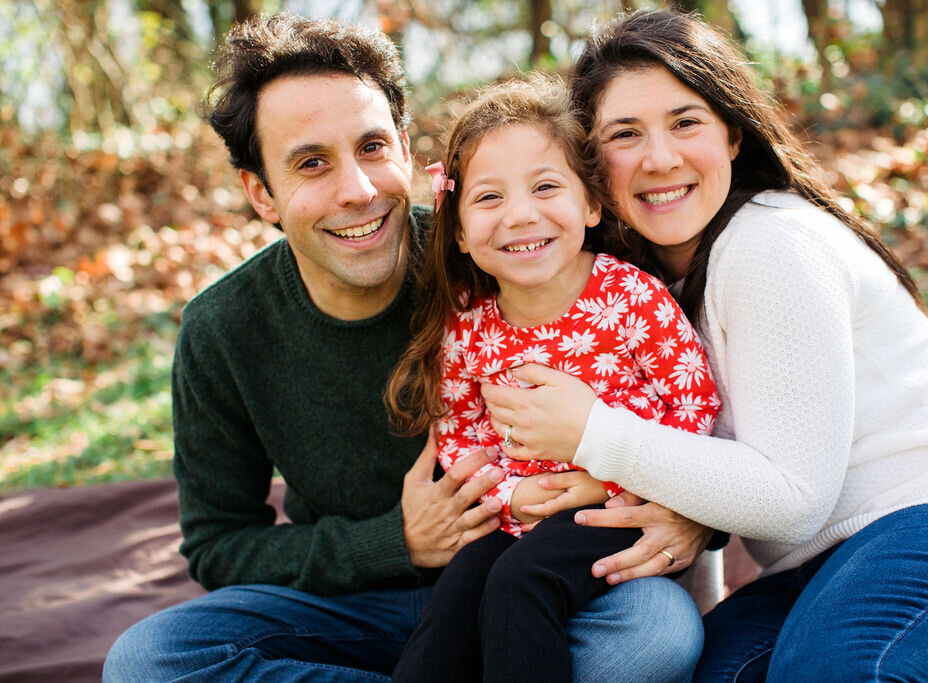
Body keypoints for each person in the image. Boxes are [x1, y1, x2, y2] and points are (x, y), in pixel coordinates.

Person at [101, 13, 705, 682]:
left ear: (407, 152)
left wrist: (690, 515)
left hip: (535, 583)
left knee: (657, 632)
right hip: (352, 608)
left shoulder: (506, 253)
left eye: (371, 147)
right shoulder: (224, 328)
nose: (357, 191)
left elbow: (681, 405)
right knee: (148, 661)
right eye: (311, 163)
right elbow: (218, 545)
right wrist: (393, 541)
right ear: (261, 193)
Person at [479, 8, 928, 681]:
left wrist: (595, 431)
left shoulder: (772, 242)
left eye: (686, 122)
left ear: (732, 134)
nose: (660, 157)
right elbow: (708, 468)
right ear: (593, 163)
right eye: (625, 134)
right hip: (810, 567)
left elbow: (793, 496)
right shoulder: (633, 290)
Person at [385, 76, 719, 682]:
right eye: (488, 198)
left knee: (522, 581)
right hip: (515, 515)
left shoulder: (628, 297)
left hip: (611, 511)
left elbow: (694, 404)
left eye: (545, 187)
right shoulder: (469, 326)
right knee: (457, 592)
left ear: (592, 204)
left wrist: (613, 480)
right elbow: (460, 435)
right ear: (457, 230)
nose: (520, 215)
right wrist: (506, 496)